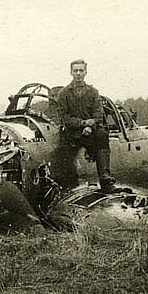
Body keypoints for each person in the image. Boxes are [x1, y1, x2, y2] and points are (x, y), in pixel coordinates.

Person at [55, 59, 116, 193]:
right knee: (62, 149)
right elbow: (65, 118)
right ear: (71, 72)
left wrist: (90, 127)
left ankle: (105, 180)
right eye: (75, 70)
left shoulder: (93, 92)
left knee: (102, 135)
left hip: (91, 131)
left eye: (81, 70)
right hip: (72, 132)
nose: (78, 73)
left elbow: (98, 114)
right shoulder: (63, 94)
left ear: (86, 72)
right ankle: (69, 185)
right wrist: (83, 124)